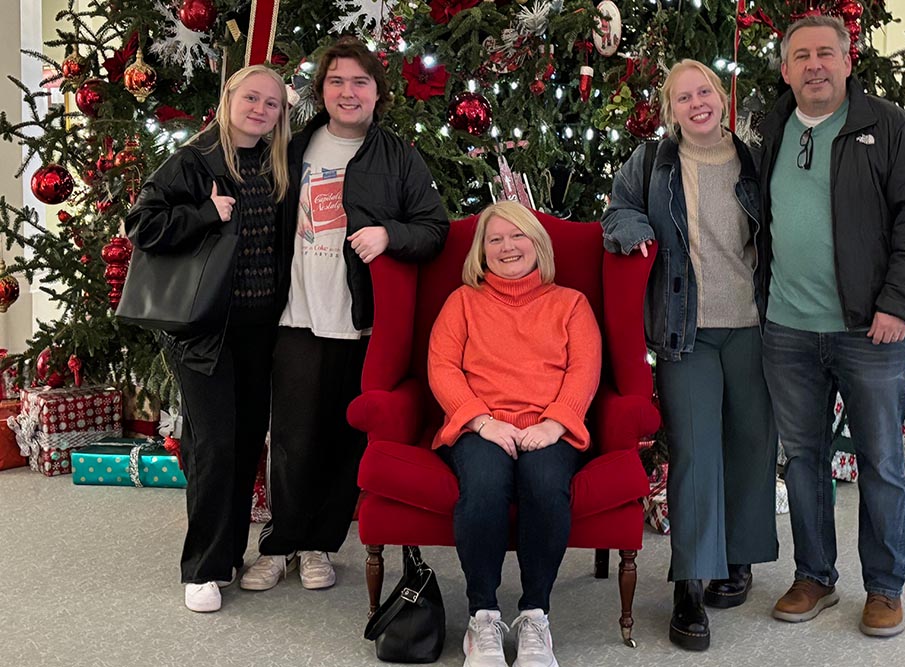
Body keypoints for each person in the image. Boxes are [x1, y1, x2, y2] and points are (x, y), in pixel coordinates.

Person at [757, 16, 905, 637]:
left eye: (825, 54)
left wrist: (898, 306)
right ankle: (814, 575)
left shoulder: (888, 128)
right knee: (804, 459)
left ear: (846, 60)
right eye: (801, 56)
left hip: (871, 332)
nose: (814, 65)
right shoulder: (774, 125)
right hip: (786, 329)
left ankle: (885, 587)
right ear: (786, 68)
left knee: (882, 462)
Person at [240, 37, 449, 592]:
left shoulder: (399, 157)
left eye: (360, 81)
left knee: (342, 438)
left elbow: (436, 230)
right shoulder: (291, 148)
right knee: (290, 438)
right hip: (294, 317)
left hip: (361, 323)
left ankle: (318, 545)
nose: (348, 92)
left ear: (377, 92)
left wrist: (390, 234)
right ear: (321, 90)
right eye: (336, 81)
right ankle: (281, 542)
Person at [602, 60, 778, 651]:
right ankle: (691, 583)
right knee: (696, 452)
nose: (697, 103)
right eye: (684, 97)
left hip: (753, 325)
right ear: (669, 108)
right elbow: (616, 211)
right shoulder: (651, 162)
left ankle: (739, 557)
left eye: (705, 91)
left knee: (753, 443)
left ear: (722, 97)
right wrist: (633, 232)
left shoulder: (753, 158)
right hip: (686, 331)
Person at [125, 65, 291, 613]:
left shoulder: (276, 163)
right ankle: (203, 567)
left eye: (272, 103)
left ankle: (228, 553)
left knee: (243, 442)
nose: (260, 110)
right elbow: (143, 226)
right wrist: (203, 214)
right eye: (251, 98)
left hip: (260, 327)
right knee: (217, 444)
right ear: (229, 97)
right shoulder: (194, 160)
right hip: (204, 329)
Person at [428, 201, 601, 667]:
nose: (508, 247)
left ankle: (534, 615)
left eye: (518, 236)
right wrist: (480, 420)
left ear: (538, 243)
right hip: (481, 424)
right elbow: (442, 367)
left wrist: (556, 421)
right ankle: (482, 615)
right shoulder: (462, 302)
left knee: (545, 485)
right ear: (481, 252)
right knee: (483, 486)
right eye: (495, 239)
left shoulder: (570, 303)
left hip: (549, 425)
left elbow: (585, 368)